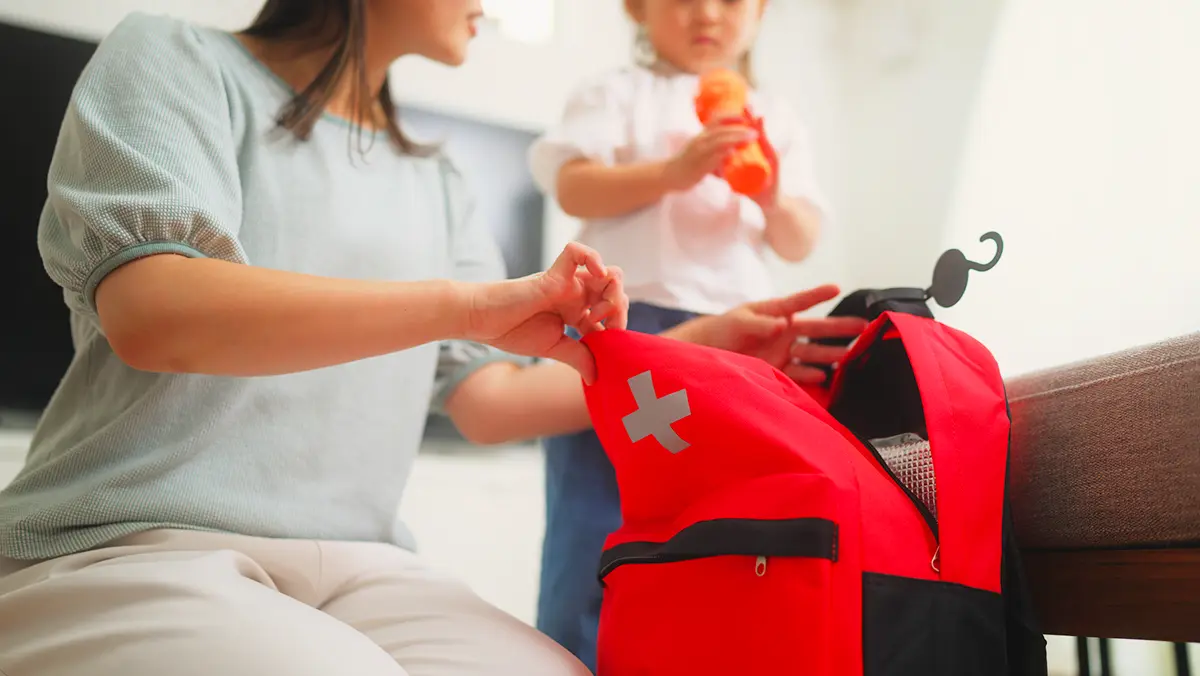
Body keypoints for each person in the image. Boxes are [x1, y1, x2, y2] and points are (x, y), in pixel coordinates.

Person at [0, 1, 864, 674]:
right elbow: (155, 313)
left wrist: (707, 347)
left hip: (362, 566)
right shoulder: (172, 59)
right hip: (131, 539)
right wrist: (463, 305)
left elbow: (488, 403)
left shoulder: (439, 181)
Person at [527, 0, 834, 669]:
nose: (705, 13)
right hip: (626, 329)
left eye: (730, 0)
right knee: (592, 515)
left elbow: (800, 237)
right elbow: (574, 187)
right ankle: (571, 656)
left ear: (761, 11)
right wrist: (672, 173)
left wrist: (772, 194)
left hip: (734, 341)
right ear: (637, 8)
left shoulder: (773, 116)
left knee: (714, 515)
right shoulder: (617, 92)